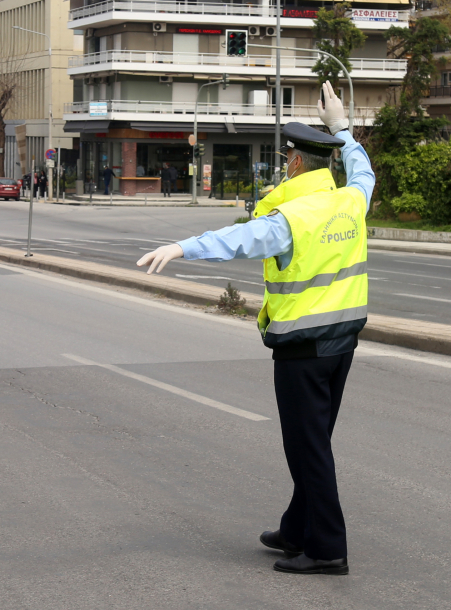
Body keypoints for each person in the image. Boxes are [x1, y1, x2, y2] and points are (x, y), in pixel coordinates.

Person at [137, 82, 375, 576]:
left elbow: (240, 239)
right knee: (316, 443)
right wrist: (343, 128)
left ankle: (328, 549)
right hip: (342, 343)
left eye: (285, 157)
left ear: (293, 164)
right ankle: (296, 529)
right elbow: (363, 169)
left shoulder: (293, 215)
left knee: (307, 449)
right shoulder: (351, 200)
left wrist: (182, 247)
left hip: (303, 349)